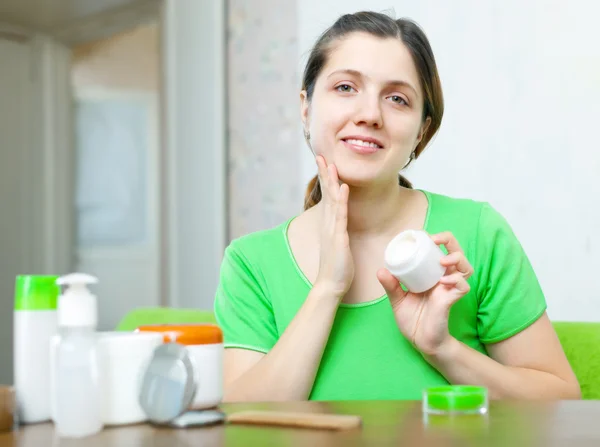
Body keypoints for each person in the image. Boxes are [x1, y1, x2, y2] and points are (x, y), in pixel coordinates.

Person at [213, 10, 581, 402]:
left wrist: (444, 349)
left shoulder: (477, 233)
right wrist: (328, 288)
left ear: (421, 131)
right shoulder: (251, 263)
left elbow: (560, 403)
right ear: (306, 109)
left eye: (396, 99)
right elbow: (241, 428)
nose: (370, 115)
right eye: (345, 88)